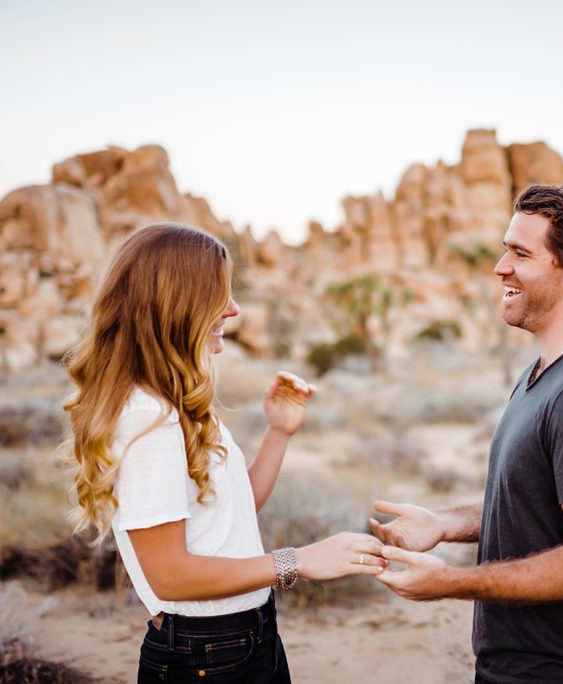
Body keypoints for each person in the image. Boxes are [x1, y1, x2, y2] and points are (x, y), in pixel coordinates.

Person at [64, 223, 386, 683]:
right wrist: (298, 561)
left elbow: (234, 510)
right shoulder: (148, 419)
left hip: (245, 638)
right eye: (219, 295)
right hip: (206, 654)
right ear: (178, 304)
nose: (233, 309)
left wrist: (279, 432)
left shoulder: (177, 407)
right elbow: (169, 575)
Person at [371, 184, 563, 684]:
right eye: (506, 250)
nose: (501, 267)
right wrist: (444, 524)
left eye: (521, 253)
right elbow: (538, 507)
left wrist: (452, 582)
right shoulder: (549, 369)